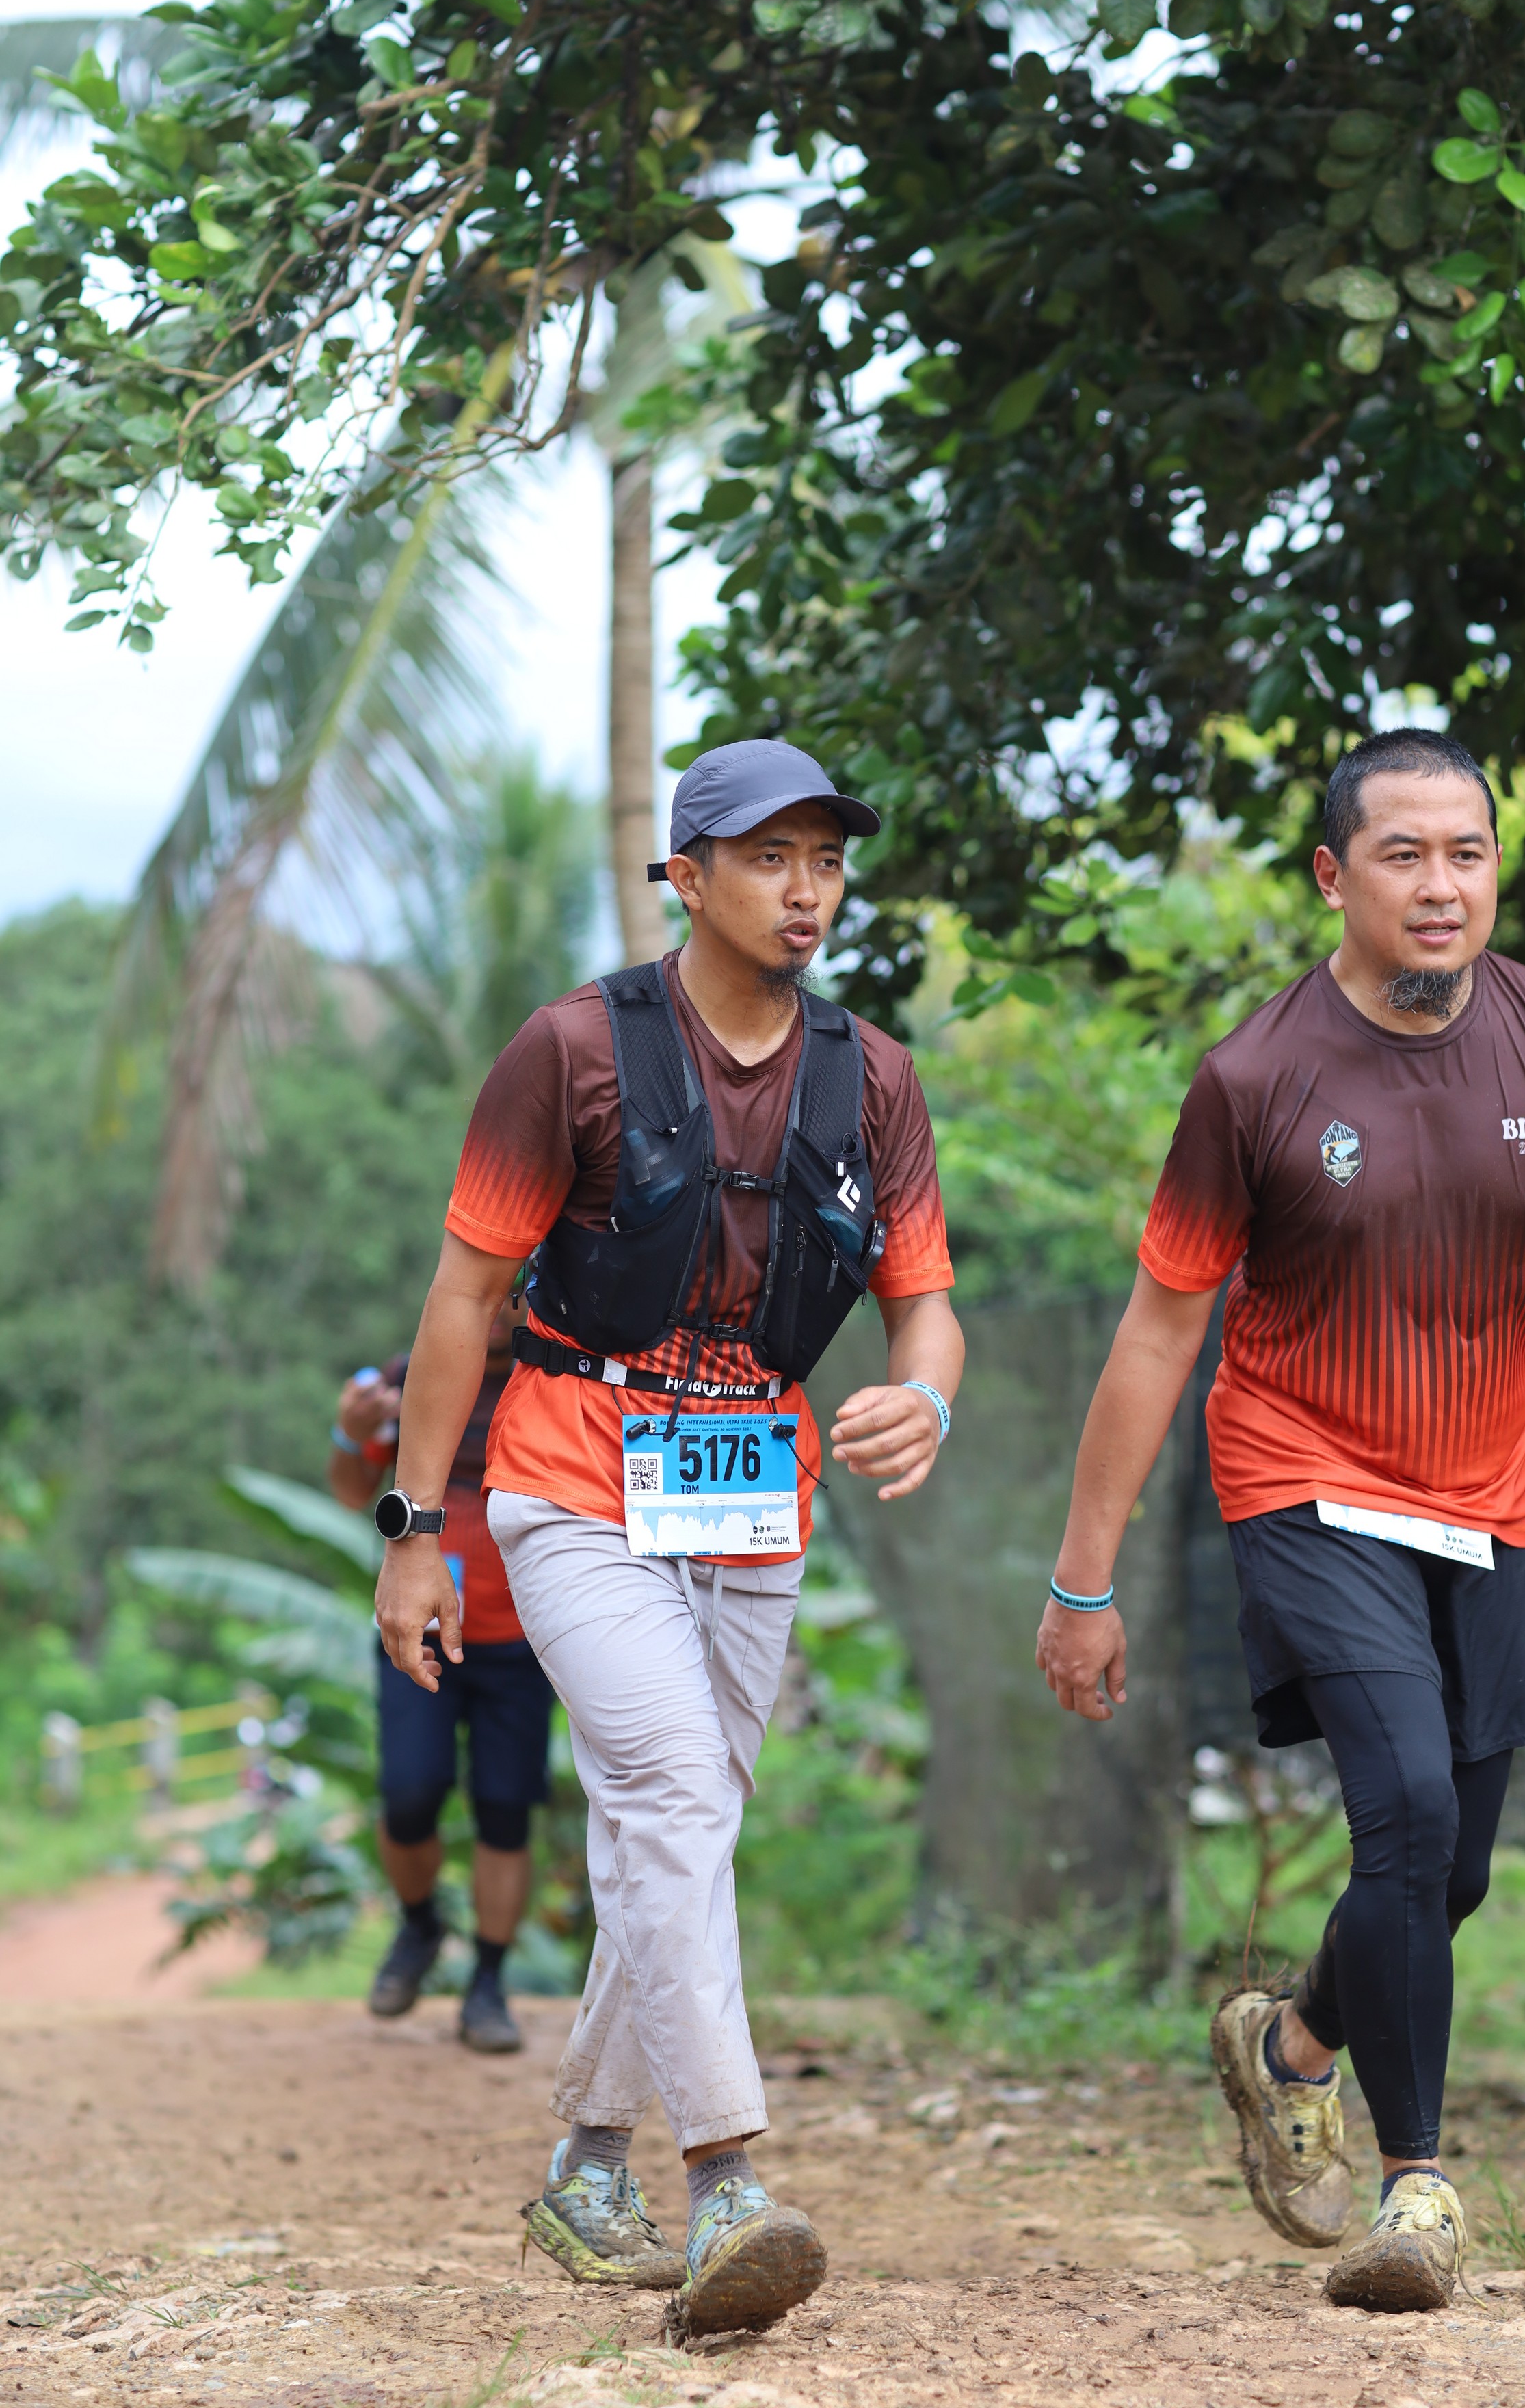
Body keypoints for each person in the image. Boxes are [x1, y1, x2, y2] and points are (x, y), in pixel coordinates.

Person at [1039, 728, 1525, 2314]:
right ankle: (1416, 2186)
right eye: (1402, 855)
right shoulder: (1255, 1079)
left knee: (1450, 1872)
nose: (1440, 886)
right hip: (1302, 1478)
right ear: (1331, 875)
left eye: (1466, 854)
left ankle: (1292, 2042)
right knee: (1408, 1822)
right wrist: (1081, 1583)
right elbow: (1158, 1333)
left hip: (1485, 1497)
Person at [372, 739, 964, 2337]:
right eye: (768, 858)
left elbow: (924, 1303)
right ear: (685, 878)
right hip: (571, 1464)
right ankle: (726, 2188)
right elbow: (464, 1298)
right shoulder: (571, 1048)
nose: (805, 889)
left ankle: (584, 2161)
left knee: (680, 1830)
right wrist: (415, 1532)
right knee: (670, 1795)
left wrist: (924, 1395)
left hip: (752, 1482)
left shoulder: (873, 1077)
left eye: (824, 859)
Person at [330, 1301, 552, 2054]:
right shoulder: (412, 1376)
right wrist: (351, 1433)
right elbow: (351, 1489)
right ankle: (421, 1925)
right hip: (416, 1633)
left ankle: (487, 1984)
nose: (496, 1306)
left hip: (523, 1640)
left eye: (513, 1290)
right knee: (409, 1795)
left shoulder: (558, 1373)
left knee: (505, 1812)